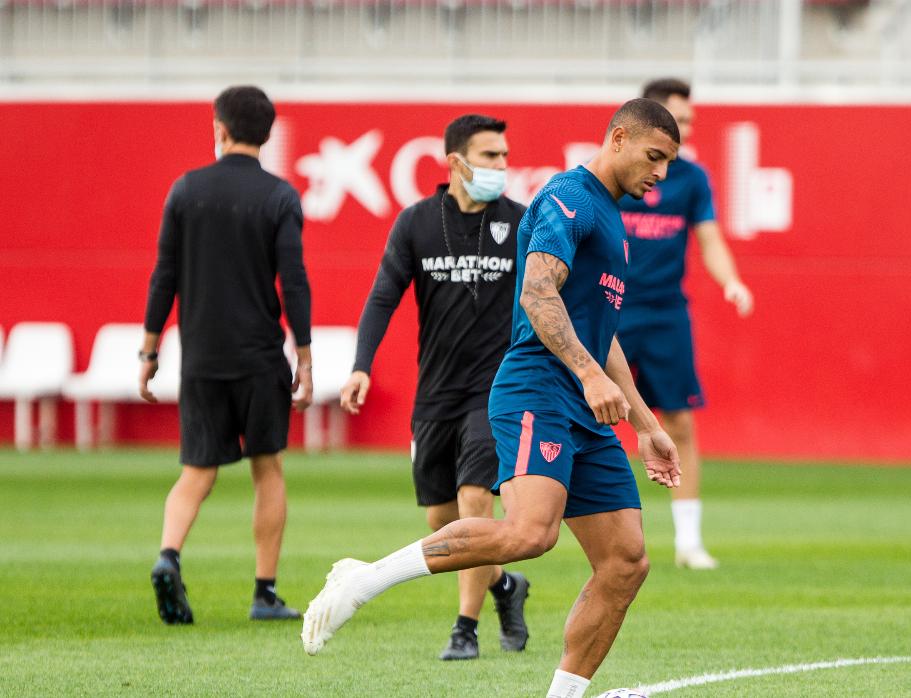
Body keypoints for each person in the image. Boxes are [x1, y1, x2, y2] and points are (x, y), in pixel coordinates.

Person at [302, 98, 683, 698]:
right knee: (531, 533)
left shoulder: (613, 219)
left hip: (582, 402)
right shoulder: (569, 197)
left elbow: (602, 339)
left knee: (627, 561)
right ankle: (363, 578)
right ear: (617, 139)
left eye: (669, 162)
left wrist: (646, 423)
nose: (661, 173)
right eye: (654, 156)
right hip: (538, 385)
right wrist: (587, 375)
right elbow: (536, 294)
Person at [339, 114, 531, 661]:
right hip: (436, 394)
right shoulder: (417, 223)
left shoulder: (520, 223)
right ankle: (503, 585)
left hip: (494, 391)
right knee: (440, 518)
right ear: (456, 162)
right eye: (491, 156)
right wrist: (361, 365)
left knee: (475, 503)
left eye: (504, 156)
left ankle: (464, 628)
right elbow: (382, 297)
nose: (502, 166)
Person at [140, 85, 312, 624]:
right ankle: (264, 592)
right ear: (266, 132)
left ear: (219, 128)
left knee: (196, 471)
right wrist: (304, 354)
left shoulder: (186, 190)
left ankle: (169, 556)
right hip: (260, 356)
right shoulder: (280, 197)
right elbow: (294, 281)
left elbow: (164, 273)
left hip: (202, 358)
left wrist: (149, 350)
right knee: (268, 468)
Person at [616, 78, 754, 570]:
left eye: (692, 119)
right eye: (681, 118)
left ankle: (688, 542)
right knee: (581, 413)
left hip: (665, 314)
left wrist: (731, 281)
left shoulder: (692, 179)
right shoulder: (616, 173)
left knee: (678, 423)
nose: (690, 127)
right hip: (610, 310)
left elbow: (710, 239)